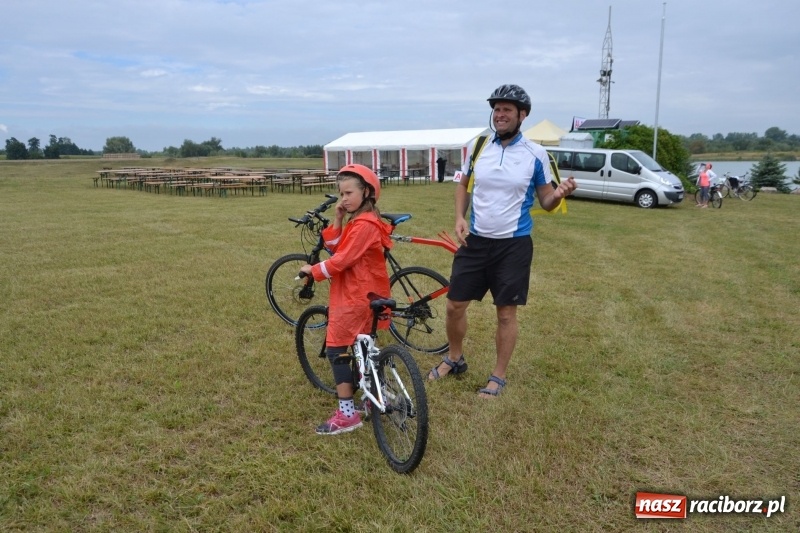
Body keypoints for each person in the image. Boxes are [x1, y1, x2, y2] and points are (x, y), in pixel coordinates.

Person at [428, 84, 577, 398]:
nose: (500, 114)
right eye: (496, 109)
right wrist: (459, 217)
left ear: (522, 115)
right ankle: (455, 358)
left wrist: (559, 194)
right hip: (476, 241)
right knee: (455, 305)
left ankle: (498, 375)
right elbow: (463, 184)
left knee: (506, 313)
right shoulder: (480, 145)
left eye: (507, 109)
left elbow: (547, 201)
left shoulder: (537, 154)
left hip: (513, 245)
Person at [300, 164, 393, 434]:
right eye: (341, 194)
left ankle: (347, 414)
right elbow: (338, 247)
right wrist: (338, 219)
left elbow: (341, 259)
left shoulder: (365, 225)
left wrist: (314, 270)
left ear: (367, 192)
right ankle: (372, 400)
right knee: (362, 349)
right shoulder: (361, 221)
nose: (343, 199)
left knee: (337, 350)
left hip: (355, 296)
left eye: (348, 193)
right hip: (364, 293)